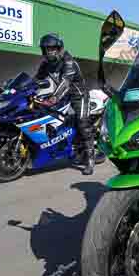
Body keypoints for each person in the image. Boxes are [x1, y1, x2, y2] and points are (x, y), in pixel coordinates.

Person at [34, 33, 94, 175]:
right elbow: (36, 80)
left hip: (79, 95)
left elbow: (65, 82)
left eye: (53, 48)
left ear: (59, 48)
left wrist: (53, 99)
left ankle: (90, 159)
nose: (50, 51)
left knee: (82, 123)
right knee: (50, 117)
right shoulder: (46, 65)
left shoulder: (68, 61)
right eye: (47, 49)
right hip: (63, 96)